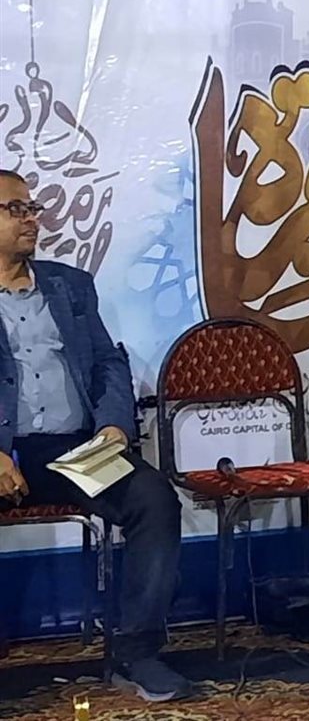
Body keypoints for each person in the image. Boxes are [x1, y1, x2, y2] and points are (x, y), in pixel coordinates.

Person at [0, 170, 191, 702]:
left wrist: (113, 426)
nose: (32, 219)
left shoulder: (70, 286)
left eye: (33, 208)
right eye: (16, 209)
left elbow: (108, 362)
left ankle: (137, 653)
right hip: (6, 452)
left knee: (153, 497)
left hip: (74, 449)